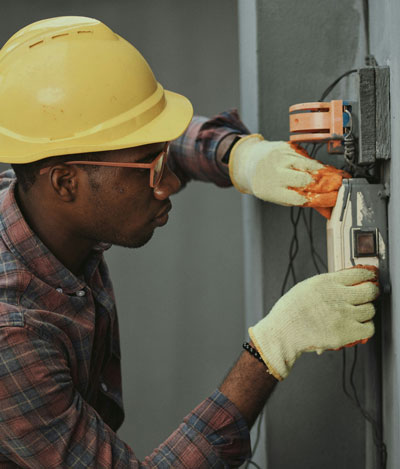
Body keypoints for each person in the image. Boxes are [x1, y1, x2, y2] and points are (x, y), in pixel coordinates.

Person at [0, 17, 378, 468]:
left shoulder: (38, 181)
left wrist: (238, 156)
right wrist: (271, 349)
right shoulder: (12, 335)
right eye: (150, 170)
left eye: (163, 158)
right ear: (64, 182)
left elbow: (132, 145)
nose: (167, 185)